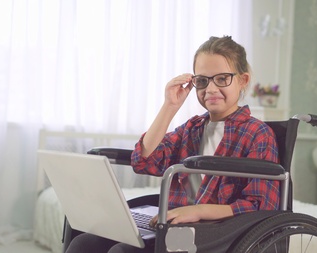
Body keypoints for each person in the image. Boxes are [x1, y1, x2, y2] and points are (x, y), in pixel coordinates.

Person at [66, 35, 280, 253]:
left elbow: (260, 206)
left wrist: (198, 211)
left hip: (219, 234)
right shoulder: (192, 129)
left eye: (222, 79)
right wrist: (170, 105)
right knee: (83, 244)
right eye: (202, 81)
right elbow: (144, 161)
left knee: (122, 252)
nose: (211, 89)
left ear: (243, 80)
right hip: (174, 227)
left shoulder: (258, 134)